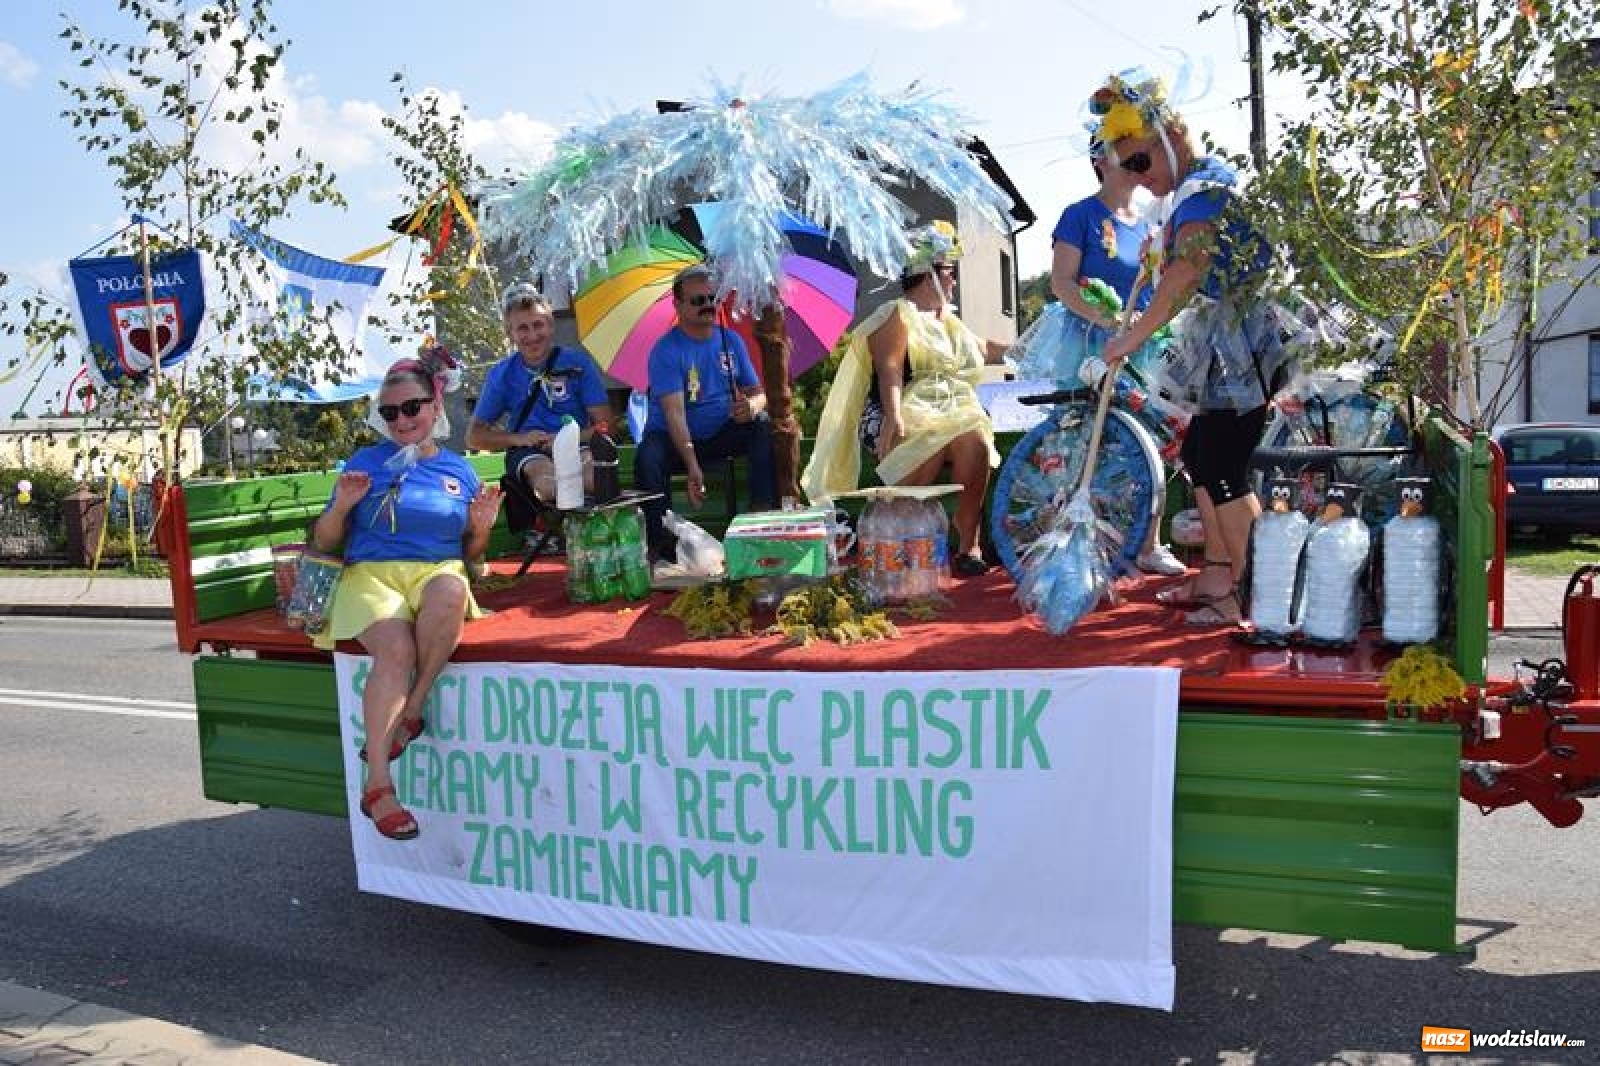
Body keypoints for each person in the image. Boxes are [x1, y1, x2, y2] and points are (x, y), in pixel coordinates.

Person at [1096, 71, 1298, 627]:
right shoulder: (1190, 191)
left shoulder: (1206, 189)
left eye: (1142, 161)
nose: (1139, 178)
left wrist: (1131, 338)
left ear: (1173, 137)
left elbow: (1187, 270)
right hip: (1225, 338)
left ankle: (1258, 595)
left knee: (1223, 463)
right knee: (1204, 456)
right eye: (1129, 168)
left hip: (1243, 339)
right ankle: (1219, 574)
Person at [310, 352, 504, 840]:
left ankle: (412, 709)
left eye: (412, 407)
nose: (402, 420)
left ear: (434, 407)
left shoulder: (459, 471)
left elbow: (471, 553)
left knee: (451, 589)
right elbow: (325, 541)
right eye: (391, 412)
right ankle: (378, 784)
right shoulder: (364, 463)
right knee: (395, 649)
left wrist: (482, 528)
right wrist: (342, 507)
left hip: (436, 569)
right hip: (371, 575)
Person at [801, 221, 1011, 576]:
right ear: (929, 275)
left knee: (975, 441)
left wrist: (1028, 348)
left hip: (952, 412)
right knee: (929, 444)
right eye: (949, 271)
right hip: (897, 411)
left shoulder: (951, 323)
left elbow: (985, 348)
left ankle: (968, 541)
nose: (954, 280)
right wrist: (895, 415)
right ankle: (898, 535)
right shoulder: (896, 315)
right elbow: (890, 369)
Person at [1049, 137, 1187, 578]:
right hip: (1092, 345)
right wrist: (1106, 318)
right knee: (1087, 442)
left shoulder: (1151, 223)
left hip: (1144, 347)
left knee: (1150, 439)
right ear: (1099, 161)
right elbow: (1061, 283)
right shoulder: (1079, 215)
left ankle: (1148, 543)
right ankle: (1078, 543)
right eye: (1121, 153)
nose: (1134, 162)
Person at [636, 264, 775, 562]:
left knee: (762, 424)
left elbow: (760, 394)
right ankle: (661, 545)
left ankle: (762, 519)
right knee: (648, 457)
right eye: (698, 300)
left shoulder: (731, 341)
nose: (707, 306)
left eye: (712, 298)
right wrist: (692, 466)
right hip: (673, 439)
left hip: (719, 432)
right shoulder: (666, 350)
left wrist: (751, 407)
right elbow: (675, 415)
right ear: (678, 306)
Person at [465, 282, 613, 505]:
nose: (532, 335)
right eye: (523, 328)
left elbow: (606, 425)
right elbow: (474, 437)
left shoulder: (577, 363)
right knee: (547, 484)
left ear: (551, 325)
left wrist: (564, 439)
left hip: (577, 445)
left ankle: (586, 524)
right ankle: (558, 526)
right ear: (510, 333)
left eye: (538, 325)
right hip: (529, 452)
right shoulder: (502, 374)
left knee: (594, 477)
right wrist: (521, 439)